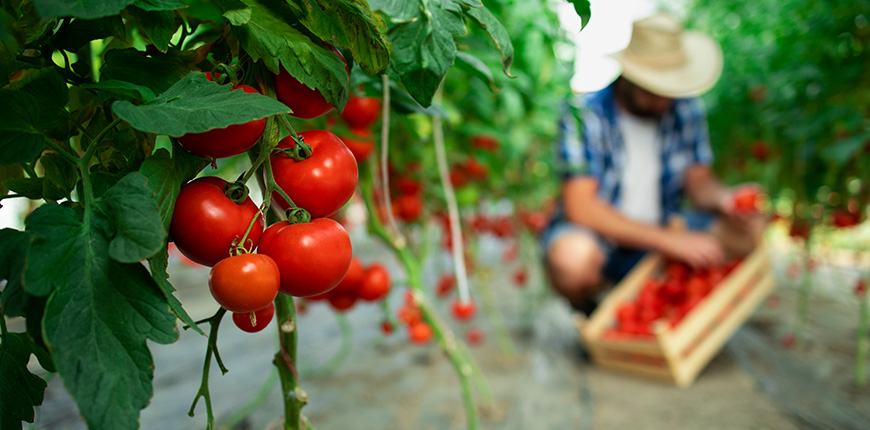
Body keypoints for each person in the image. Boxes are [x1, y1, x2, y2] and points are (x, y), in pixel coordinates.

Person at [542, 12, 765, 314]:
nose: (664, 100)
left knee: (750, 231)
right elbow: (581, 207)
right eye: (654, 89)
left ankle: (667, 299)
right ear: (629, 76)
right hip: (604, 241)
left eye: (669, 89)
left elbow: (699, 182)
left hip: (663, 231)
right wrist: (670, 240)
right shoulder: (583, 114)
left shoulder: (685, 109)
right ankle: (594, 307)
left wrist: (725, 199)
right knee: (571, 259)